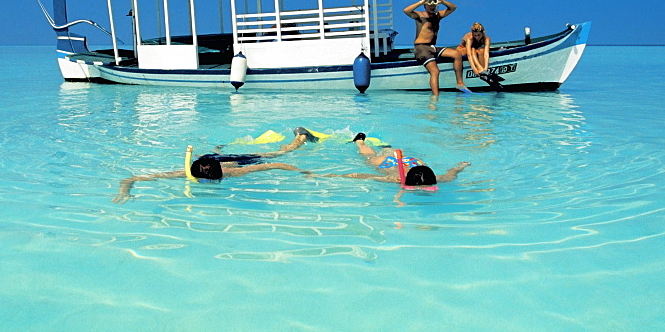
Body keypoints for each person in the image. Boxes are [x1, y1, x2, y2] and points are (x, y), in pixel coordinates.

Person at [111, 127, 318, 202]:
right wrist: (124, 189)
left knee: (277, 153)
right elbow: (130, 178)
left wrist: (302, 171)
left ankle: (300, 137)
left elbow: (274, 165)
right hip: (216, 157)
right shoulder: (189, 171)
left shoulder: (234, 173)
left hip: (239, 160)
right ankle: (217, 150)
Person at [334, 132, 471, 186]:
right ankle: (360, 142)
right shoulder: (396, 179)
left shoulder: (438, 178)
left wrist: (461, 166)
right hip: (391, 163)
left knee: (378, 155)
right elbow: (361, 176)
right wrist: (461, 166)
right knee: (370, 158)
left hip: (409, 161)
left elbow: (361, 176)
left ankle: (363, 142)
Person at [403, 0, 459, 95]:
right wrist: (421, 1)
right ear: (425, 5)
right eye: (429, 3)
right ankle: (435, 97)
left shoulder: (437, 16)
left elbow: (453, 8)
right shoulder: (420, 16)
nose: (432, 5)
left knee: (456, 54)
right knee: (435, 71)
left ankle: (460, 83)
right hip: (421, 48)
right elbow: (406, 10)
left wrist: (442, 1)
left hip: (432, 47)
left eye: (434, 3)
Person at [453, 22, 500, 91]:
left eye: (479, 35)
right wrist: (474, 69)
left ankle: (483, 73)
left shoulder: (487, 39)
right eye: (475, 35)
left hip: (475, 51)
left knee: (481, 51)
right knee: (473, 49)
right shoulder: (469, 38)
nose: (477, 37)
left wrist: (486, 68)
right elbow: (469, 55)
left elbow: (486, 54)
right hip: (462, 50)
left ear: (482, 33)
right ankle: (480, 70)